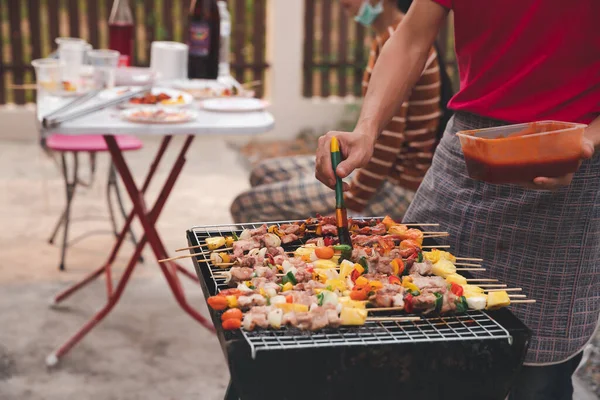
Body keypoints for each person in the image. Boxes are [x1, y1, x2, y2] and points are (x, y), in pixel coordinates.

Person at [314, 0, 600, 399]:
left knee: (533, 375)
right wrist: (367, 130)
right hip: (467, 151)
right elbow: (411, 37)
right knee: (409, 329)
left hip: (565, 164)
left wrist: (585, 140)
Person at [230, 0, 453, 223]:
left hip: (397, 184)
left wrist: (351, 206)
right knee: (263, 173)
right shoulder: (388, 36)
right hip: (377, 172)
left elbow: (385, 147)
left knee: (248, 205)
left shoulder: (399, 43)